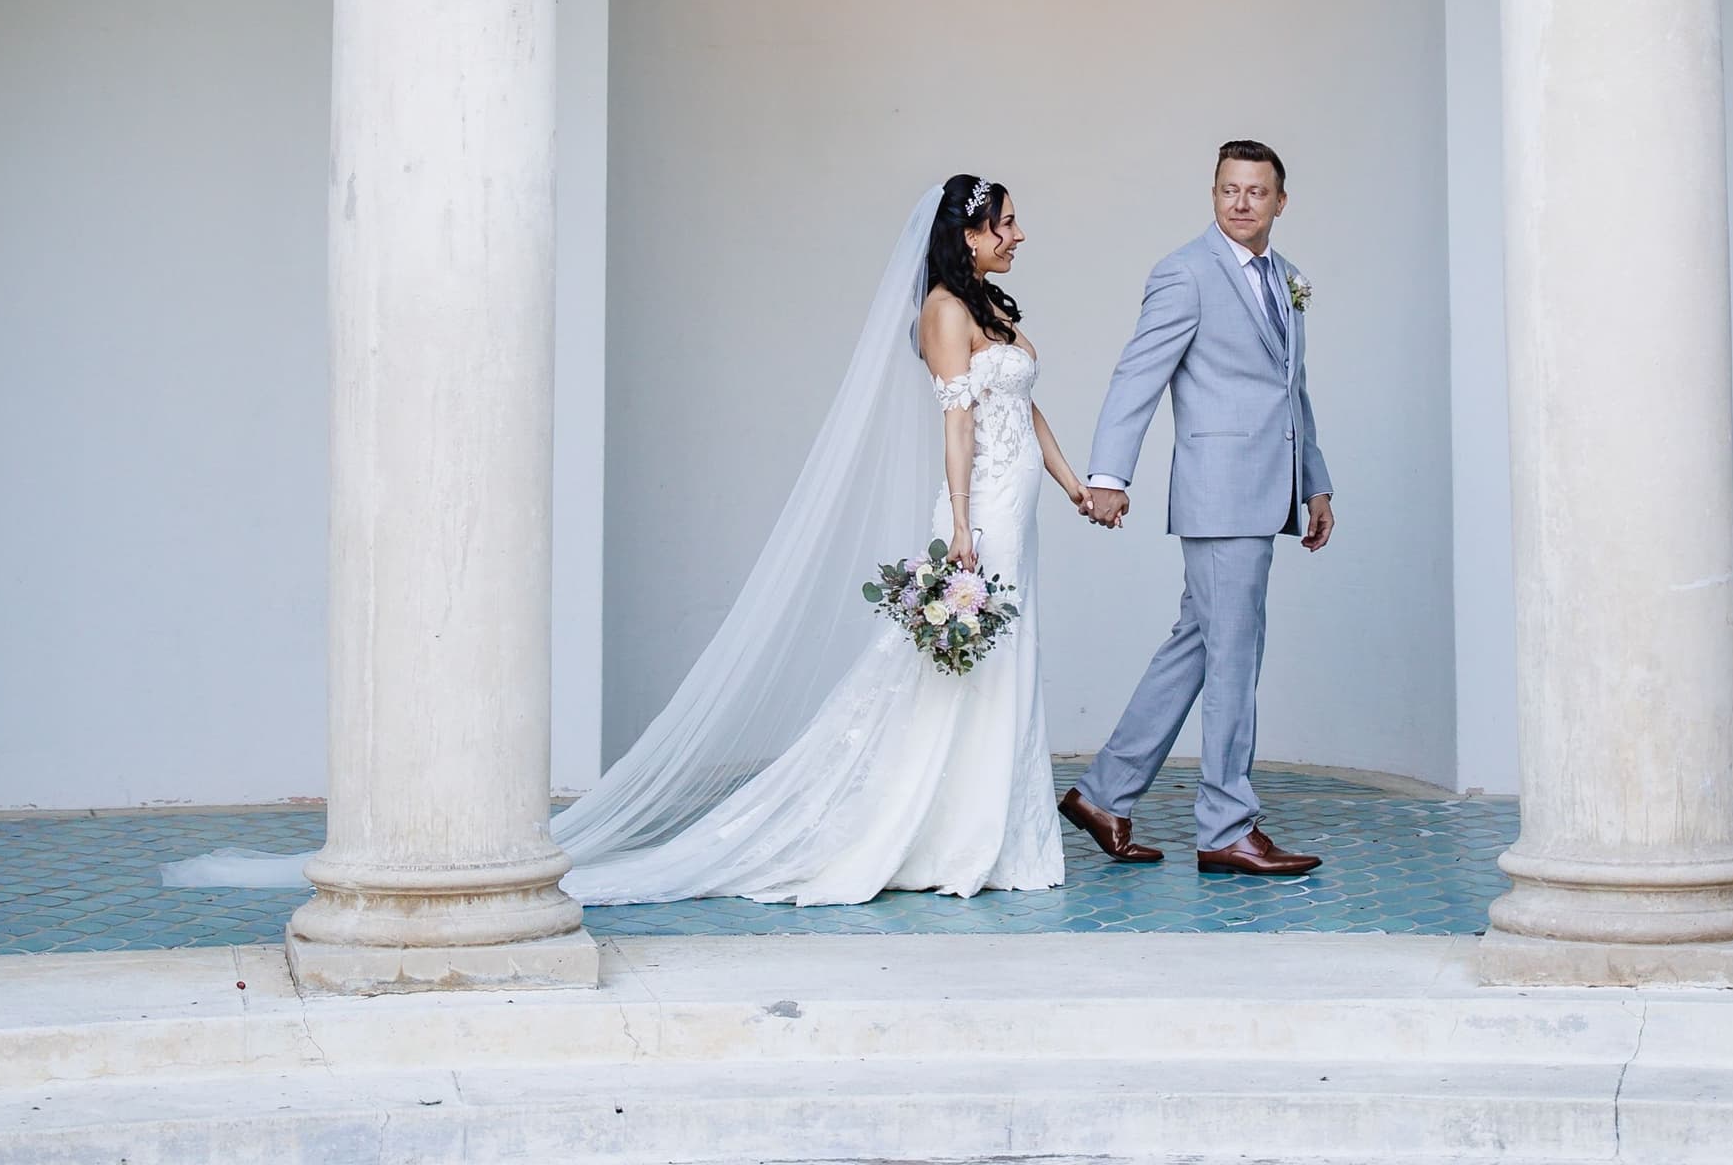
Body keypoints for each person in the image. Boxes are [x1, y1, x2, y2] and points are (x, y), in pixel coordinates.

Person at [551, 175, 1083, 904]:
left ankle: (988, 830)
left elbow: (1024, 407)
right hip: (981, 515)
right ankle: (925, 829)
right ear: (966, 234)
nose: (1017, 236)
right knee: (952, 672)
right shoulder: (944, 310)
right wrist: (961, 524)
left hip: (1017, 515)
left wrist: (1074, 484)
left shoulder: (991, 305)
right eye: (1006, 224)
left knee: (1004, 665)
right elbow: (957, 423)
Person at [1060, 140, 1334, 878]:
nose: (1241, 203)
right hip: (1220, 493)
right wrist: (1108, 473)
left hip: (1265, 489)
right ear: (1213, 195)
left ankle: (1103, 793)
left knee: (1200, 645)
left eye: (1256, 191)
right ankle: (1226, 827)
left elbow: (1292, 390)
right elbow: (1136, 374)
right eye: (1227, 190)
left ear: (1281, 201)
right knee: (1235, 658)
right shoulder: (1184, 273)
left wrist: (1314, 482)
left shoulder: (1289, 278)